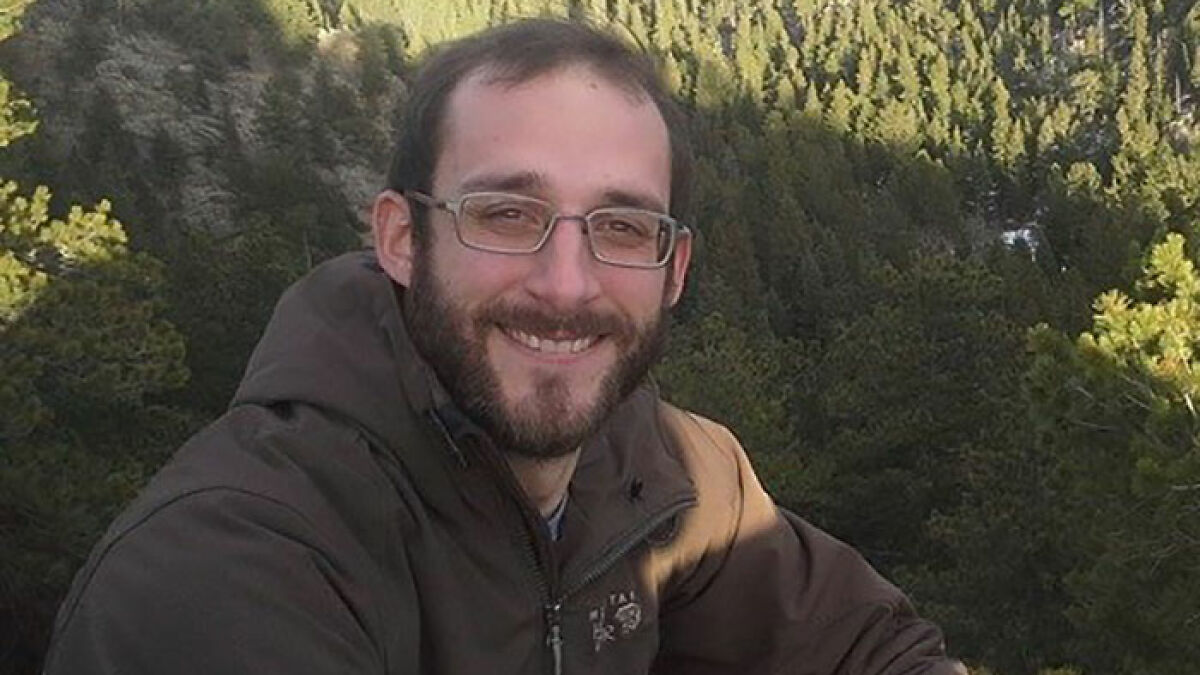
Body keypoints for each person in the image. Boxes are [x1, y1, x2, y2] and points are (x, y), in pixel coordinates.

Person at [43, 18, 965, 675]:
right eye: (506, 213)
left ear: (674, 267)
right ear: (403, 239)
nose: (566, 285)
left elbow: (861, 644)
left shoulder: (665, 470)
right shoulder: (233, 565)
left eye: (621, 225)